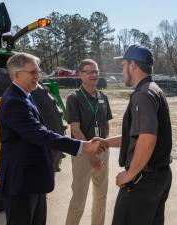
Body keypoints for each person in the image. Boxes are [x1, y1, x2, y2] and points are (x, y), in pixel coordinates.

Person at [0, 52, 106, 225]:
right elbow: (40, 134)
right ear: (17, 75)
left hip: (33, 180)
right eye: (32, 72)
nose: (37, 76)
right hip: (21, 182)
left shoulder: (26, 96)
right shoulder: (13, 102)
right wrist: (83, 146)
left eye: (37, 71)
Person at [98, 44, 173, 225]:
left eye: (123, 65)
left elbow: (147, 139)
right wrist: (106, 142)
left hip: (143, 181)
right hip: (158, 177)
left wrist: (130, 174)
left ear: (132, 65)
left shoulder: (143, 94)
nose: (122, 70)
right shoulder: (154, 89)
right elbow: (138, 136)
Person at [65, 59, 113, 225]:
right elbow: (75, 129)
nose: (94, 75)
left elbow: (106, 124)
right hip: (83, 154)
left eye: (96, 71)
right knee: (79, 200)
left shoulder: (103, 97)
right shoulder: (74, 98)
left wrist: (103, 148)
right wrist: (91, 154)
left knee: (101, 197)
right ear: (81, 75)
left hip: (102, 152)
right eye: (89, 72)